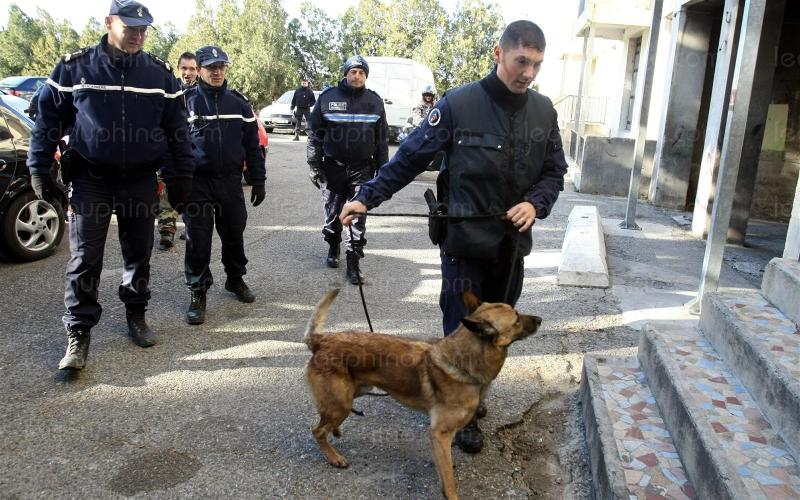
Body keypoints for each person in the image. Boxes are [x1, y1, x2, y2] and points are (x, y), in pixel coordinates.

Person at [340, 21, 568, 453]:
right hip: (464, 244)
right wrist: (366, 198)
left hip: (511, 248)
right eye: (521, 61)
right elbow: (409, 158)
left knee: (498, 334)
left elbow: (555, 172)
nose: (528, 73)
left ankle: (475, 398)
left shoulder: (544, 112)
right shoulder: (458, 105)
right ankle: (459, 414)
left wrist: (535, 203)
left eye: (537, 64)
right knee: (462, 331)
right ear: (498, 53)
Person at [27, 0, 194, 371]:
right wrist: (38, 168)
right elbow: (47, 121)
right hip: (91, 179)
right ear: (108, 23)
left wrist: (181, 176)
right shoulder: (75, 68)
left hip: (140, 180)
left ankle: (136, 313)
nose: (137, 35)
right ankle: (78, 331)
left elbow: (177, 130)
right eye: (129, 27)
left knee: (139, 254)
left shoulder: (158, 74)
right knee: (85, 259)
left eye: (143, 29)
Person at [182, 45, 266, 325]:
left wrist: (258, 180)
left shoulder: (238, 103)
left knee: (233, 234)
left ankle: (235, 278)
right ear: (200, 70)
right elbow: (172, 145)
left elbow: (253, 146)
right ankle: (198, 291)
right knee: (198, 239)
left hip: (230, 182)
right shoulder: (185, 102)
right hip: (197, 184)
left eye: (221, 67)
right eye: (211, 68)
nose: (217, 72)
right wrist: (175, 182)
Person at [307, 55, 388, 284]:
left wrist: (383, 171)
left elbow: (381, 140)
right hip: (333, 168)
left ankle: (353, 261)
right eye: (353, 71)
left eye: (362, 72)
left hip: (362, 169)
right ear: (346, 74)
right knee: (332, 214)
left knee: (357, 216)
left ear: (366, 76)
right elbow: (314, 134)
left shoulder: (375, 102)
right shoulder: (327, 98)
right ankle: (333, 246)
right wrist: (314, 164)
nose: (357, 76)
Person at [156, 51, 199, 250]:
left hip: (192, 153)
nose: (187, 73)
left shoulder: (201, 94)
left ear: (198, 71)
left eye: (192, 69)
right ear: (178, 68)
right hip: (171, 150)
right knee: (166, 190)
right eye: (184, 68)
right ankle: (167, 230)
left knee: (191, 192)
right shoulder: (169, 89)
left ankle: (191, 226)